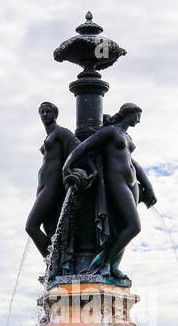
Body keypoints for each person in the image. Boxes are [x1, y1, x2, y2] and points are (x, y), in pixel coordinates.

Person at [61, 102, 155, 284]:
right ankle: (105, 263)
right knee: (134, 226)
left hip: (131, 184)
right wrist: (67, 165)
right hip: (116, 181)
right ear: (130, 113)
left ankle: (113, 265)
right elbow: (84, 146)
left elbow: (133, 162)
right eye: (138, 115)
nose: (139, 120)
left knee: (121, 227)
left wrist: (148, 187)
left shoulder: (125, 135)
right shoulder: (110, 131)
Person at [25, 102, 79, 257]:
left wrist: (71, 169)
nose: (44, 115)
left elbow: (79, 148)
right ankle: (57, 261)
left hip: (53, 185)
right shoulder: (49, 136)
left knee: (31, 226)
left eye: (48, 111)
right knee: (50, 228)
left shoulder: (62, 132)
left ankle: (51, 261)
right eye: (41, 112)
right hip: (43, 185)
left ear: (55, 114)